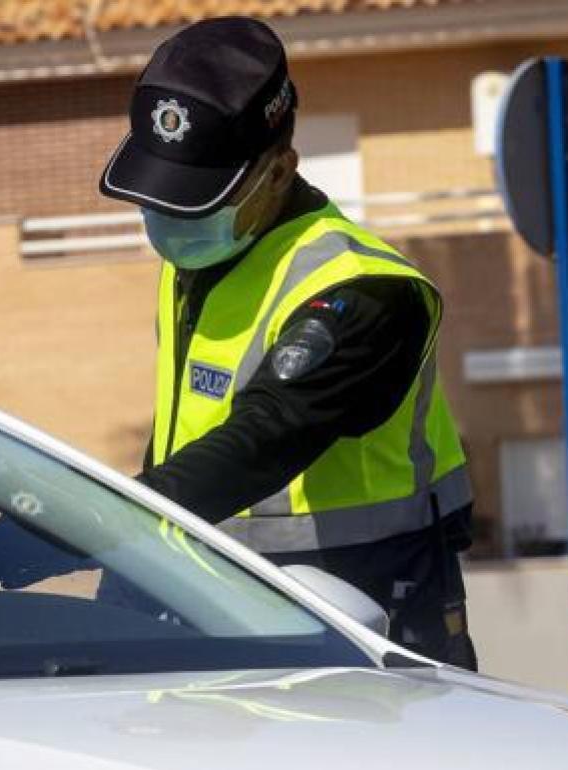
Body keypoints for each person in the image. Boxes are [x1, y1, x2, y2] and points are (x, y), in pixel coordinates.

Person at [94, 16, 477, 669]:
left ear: (280, 171)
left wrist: (92, 519)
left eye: (198, 201)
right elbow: (180, 435)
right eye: (161, 199)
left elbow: (265, 437)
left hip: (366, 632)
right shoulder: (201, 265)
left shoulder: (365, 292)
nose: (171, 221)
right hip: (224, 619)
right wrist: (125, 587)